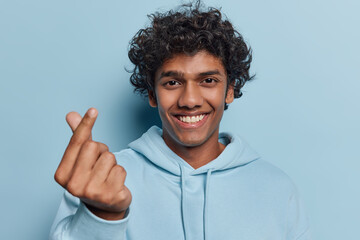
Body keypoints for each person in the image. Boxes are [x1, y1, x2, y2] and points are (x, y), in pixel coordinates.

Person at [49, 1, 310, 240]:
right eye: (173, 82)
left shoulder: (277, 188)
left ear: (229, 90)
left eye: (208, 81)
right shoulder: (101, 179)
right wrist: (102, 217)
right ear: (152, 94)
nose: (190, 100)